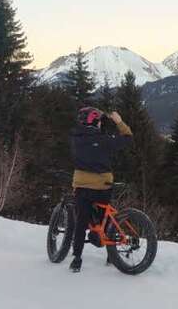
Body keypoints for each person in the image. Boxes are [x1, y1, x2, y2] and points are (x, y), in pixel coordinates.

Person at [69, 107, 132, 272]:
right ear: (95, 121)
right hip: (102, 186)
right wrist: (119, 121)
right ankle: (111, 254)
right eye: (99, 121)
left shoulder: (75, 138)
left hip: (81, 185)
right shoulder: (104, 139)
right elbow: (127, 138)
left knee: (81, 222)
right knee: (106, 217)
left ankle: (77, 258)